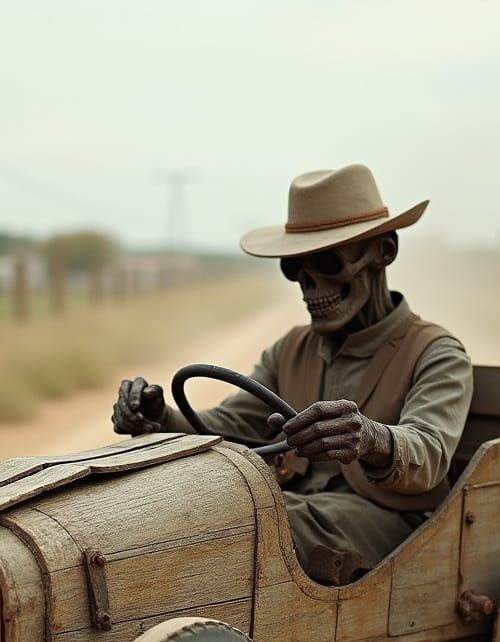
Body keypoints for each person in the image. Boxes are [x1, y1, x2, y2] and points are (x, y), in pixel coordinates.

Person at [112, 164, 473, 586]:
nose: (307, 284)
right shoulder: (292, 348)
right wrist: (160, 420)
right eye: (294, 268)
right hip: (302, 506)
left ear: (384, 252)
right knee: (201, 498)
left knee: (260, 516)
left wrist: (369, 438)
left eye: (326, 261)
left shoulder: (436, 353)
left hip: (393, 524)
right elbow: (231, 424)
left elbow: (428, 452)